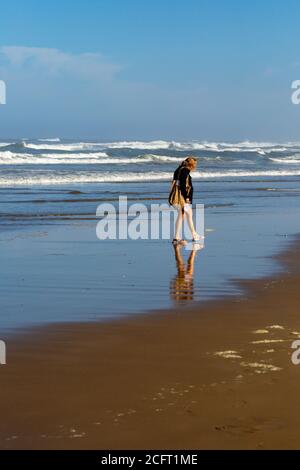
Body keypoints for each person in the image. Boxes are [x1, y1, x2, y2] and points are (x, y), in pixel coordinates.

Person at [169, 157, 200, 244]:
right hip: (181, 198)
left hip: (177, 196)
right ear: (191, 164)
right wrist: (186, 197)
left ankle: (193, 235)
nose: (195, 166)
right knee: (182, 215)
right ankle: (177, 237)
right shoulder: (185, 170)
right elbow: (182, 185)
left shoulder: (179, 169)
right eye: (195, 164)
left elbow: (176, 183)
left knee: (187, 214)